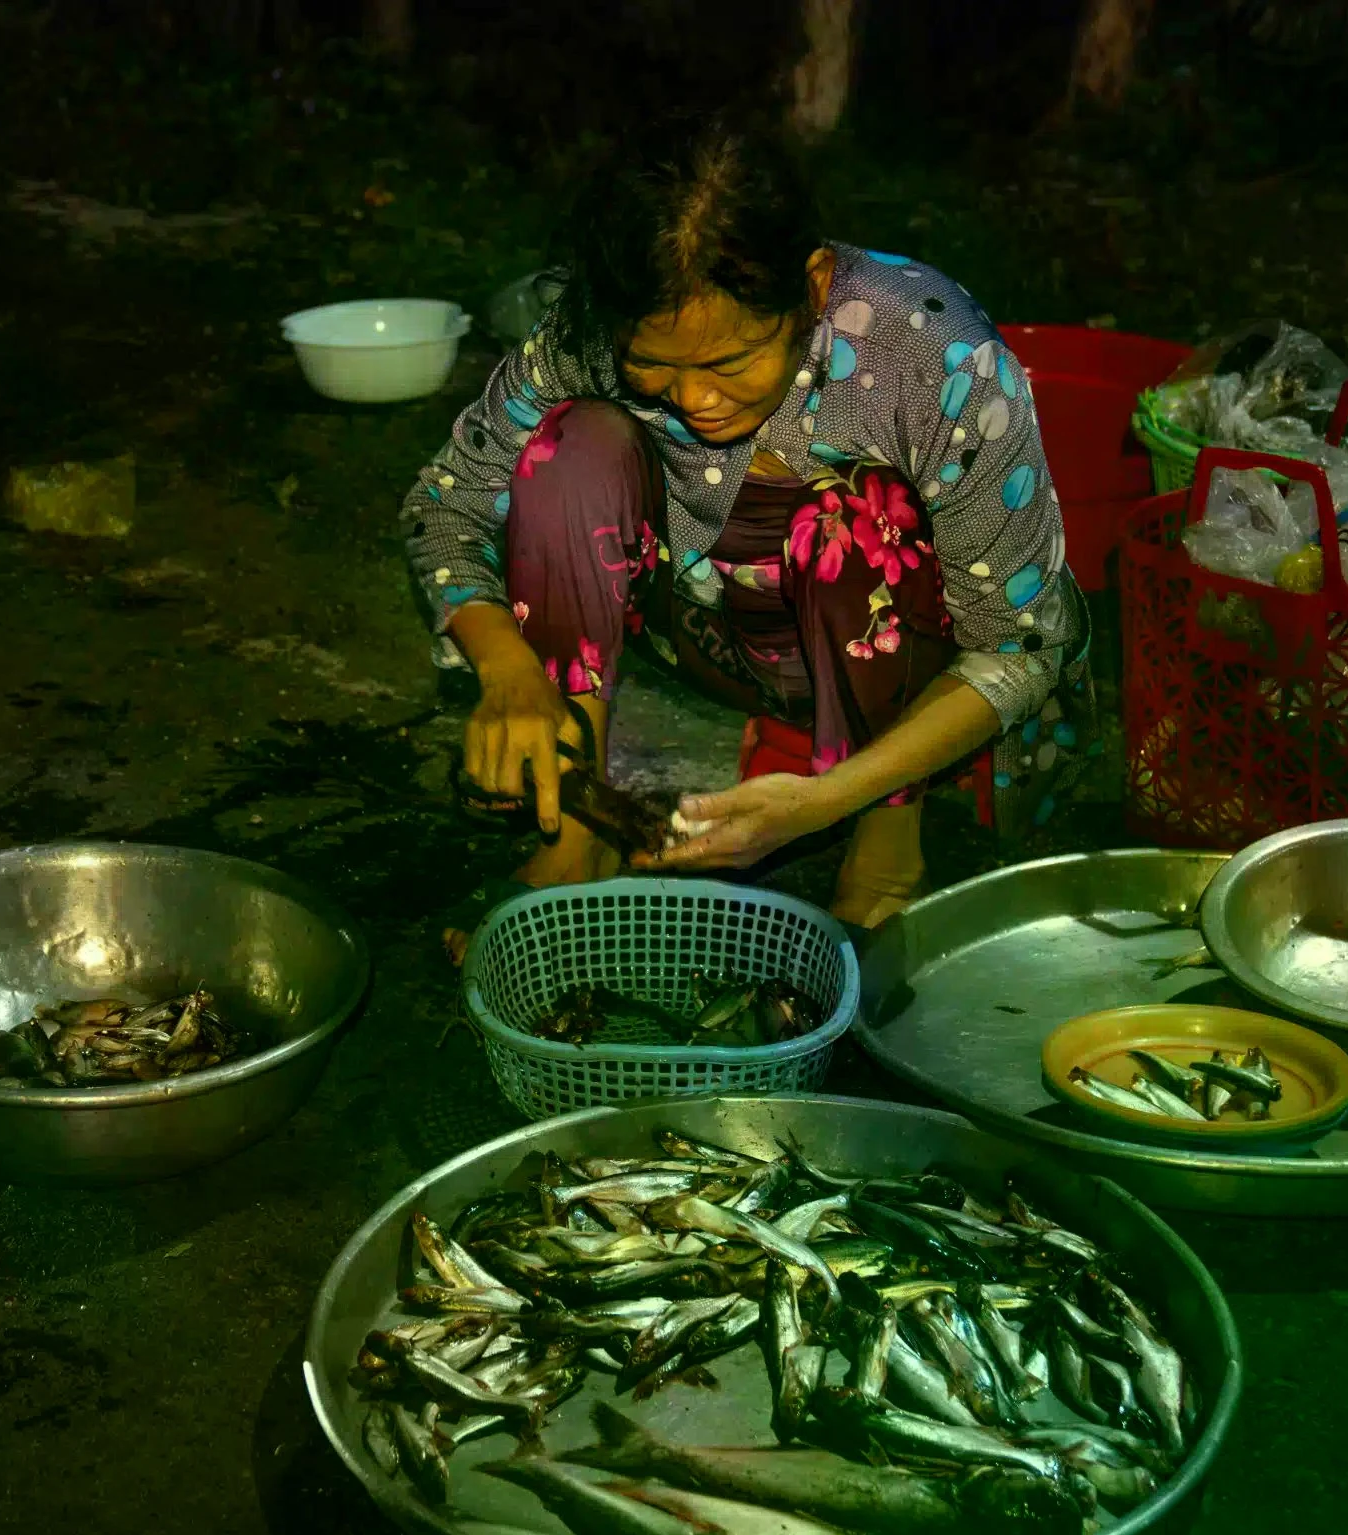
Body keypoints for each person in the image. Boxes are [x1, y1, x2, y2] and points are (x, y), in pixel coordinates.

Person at [405, 120, 1094, 962]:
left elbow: (1020, 645)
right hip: (710, 635)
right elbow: (445, 504)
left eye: (733, 361)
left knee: (849, 517)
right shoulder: (591, 332)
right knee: (571, 446)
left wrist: (823, 802)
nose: (695, 398)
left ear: (809, 286)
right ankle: (578, 819)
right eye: (653, 365)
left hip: (904, 674)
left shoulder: (938, 357)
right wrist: (507, 670)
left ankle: (884, 854)